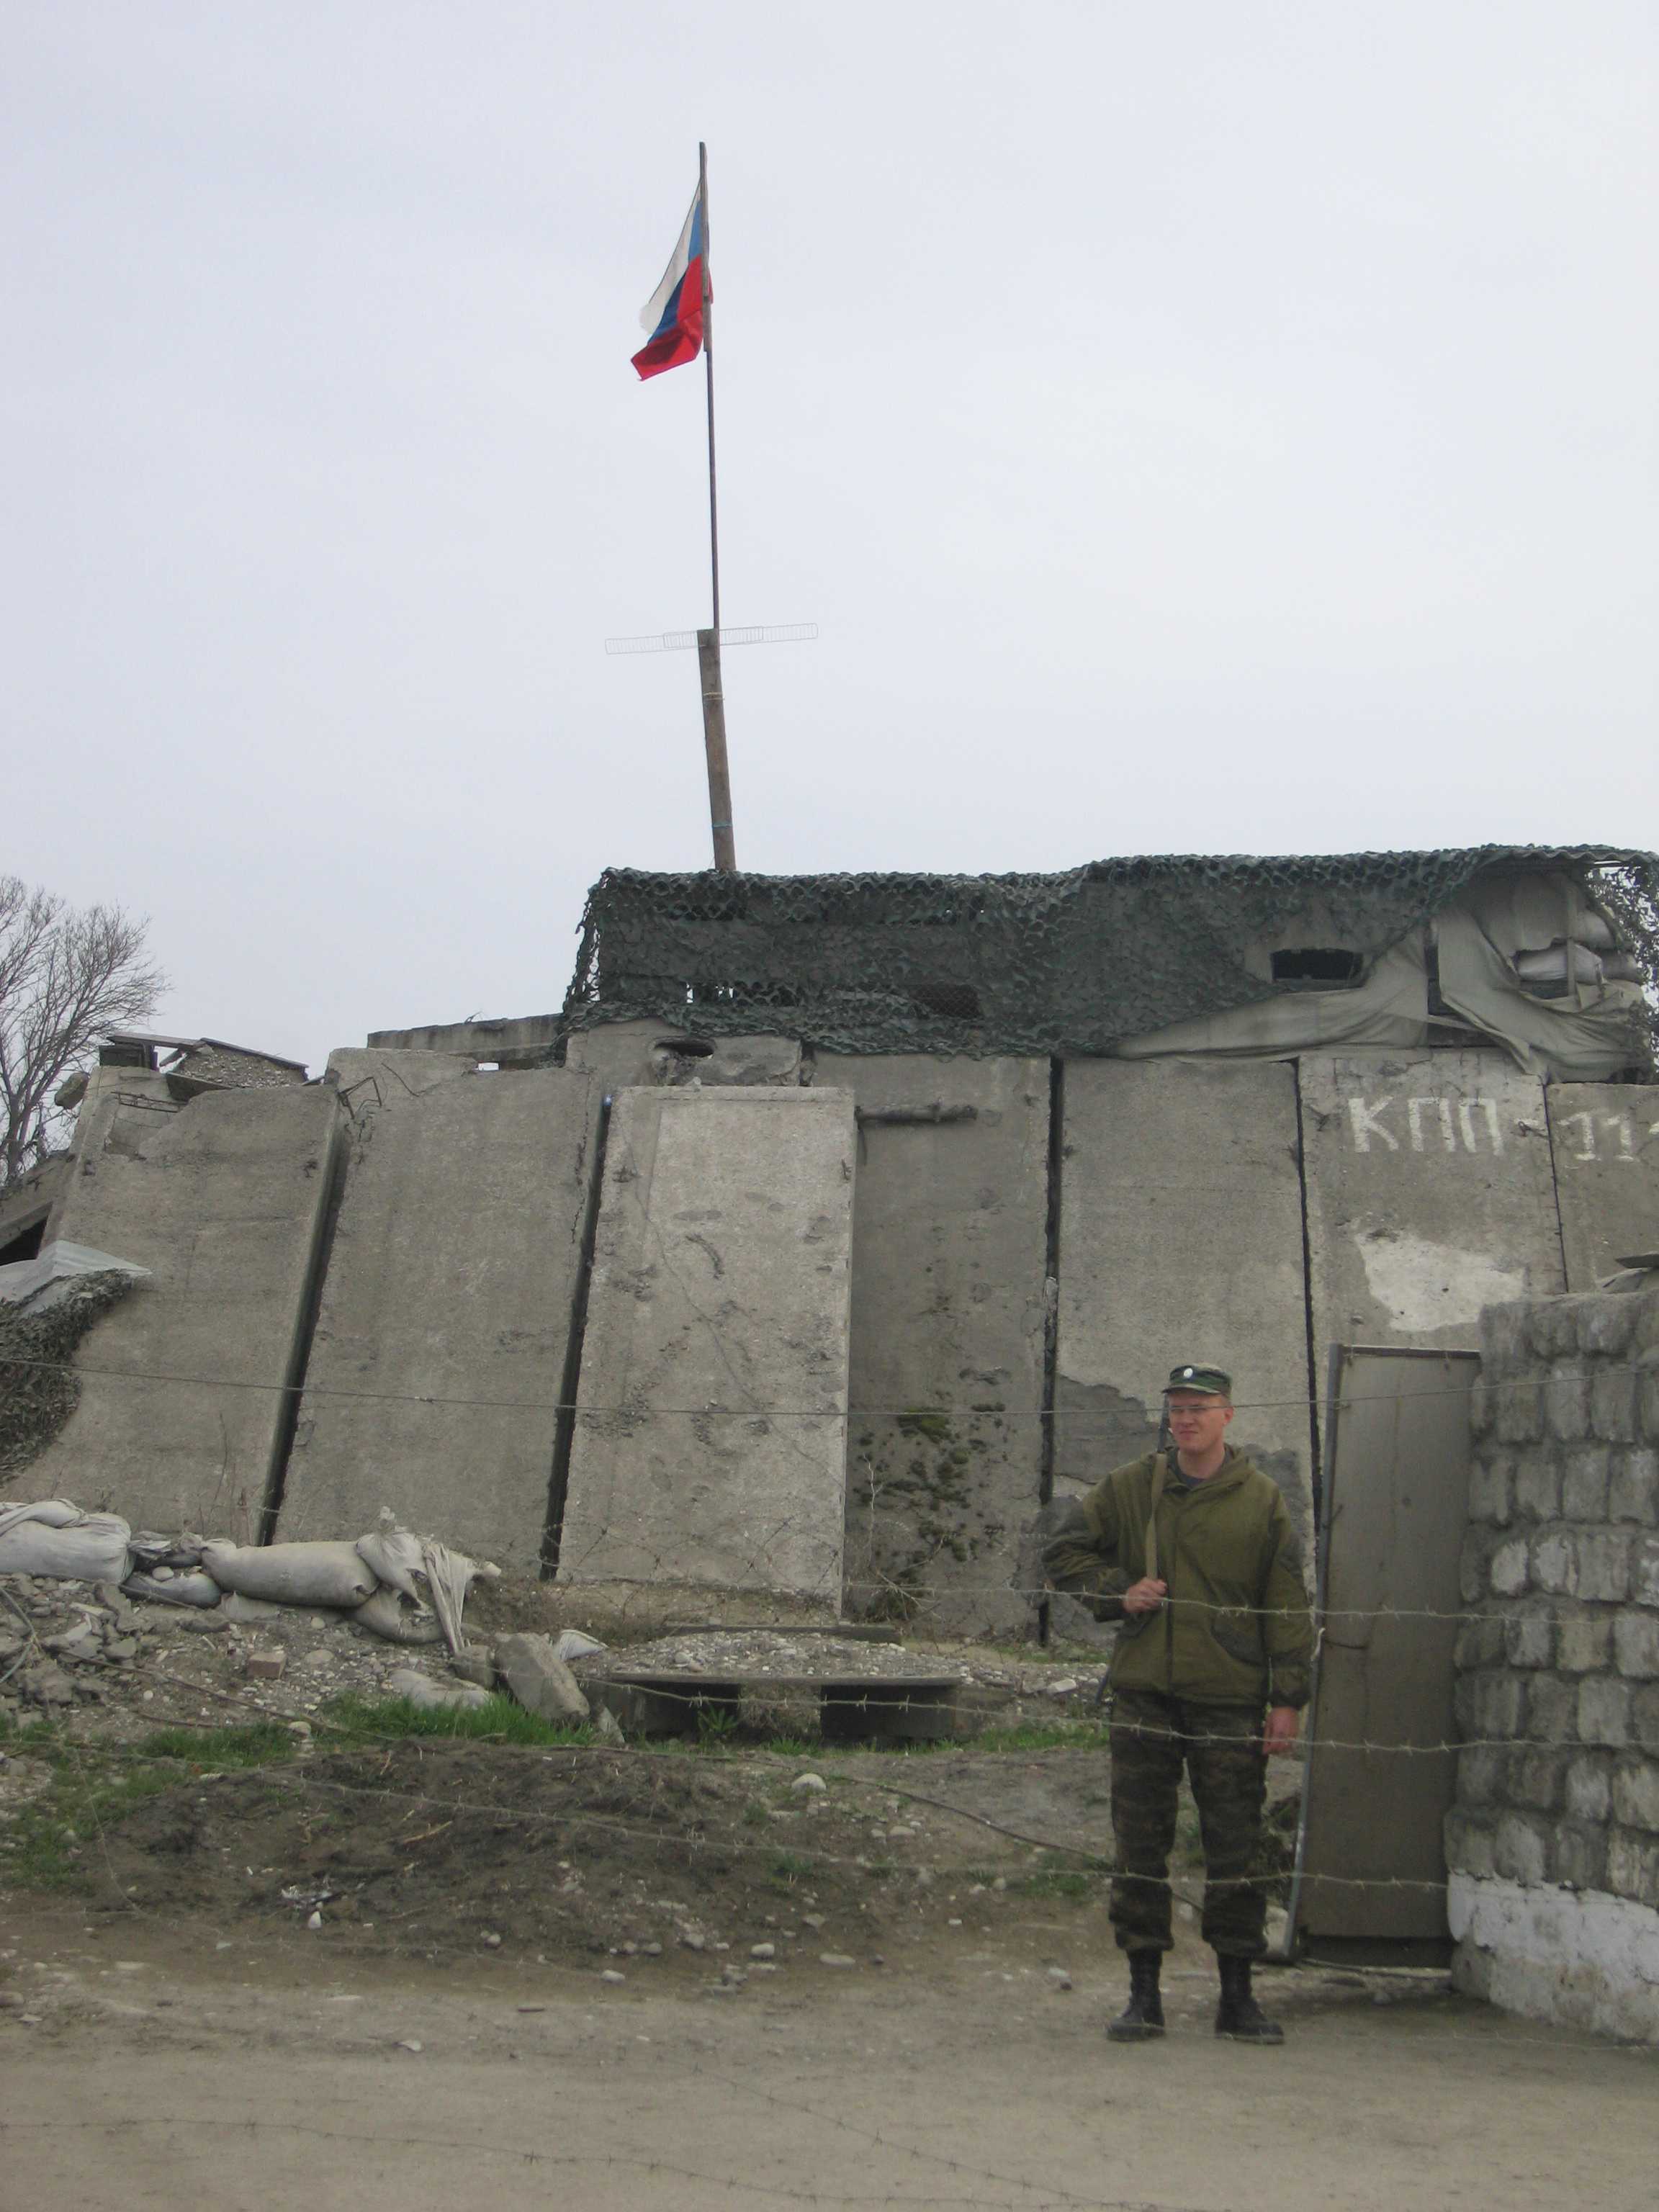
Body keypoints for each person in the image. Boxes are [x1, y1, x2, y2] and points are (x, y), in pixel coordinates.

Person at [1043, 1362, 1313, 2046]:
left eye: (1200, 1407)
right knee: (1139, 1846)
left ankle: (1237, 1997)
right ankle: (1143, 1995)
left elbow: (1286, 1604)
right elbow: (1065, 1551)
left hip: (1229, 1697)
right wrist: (1118, 1592)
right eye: (1177, 1408)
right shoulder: (1132, 1487)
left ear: (1228, 1415)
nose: (1186, 1420)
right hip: (1147, 1696)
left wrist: (1288, 1699)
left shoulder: (1261, 1500)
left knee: (1236, 1847)